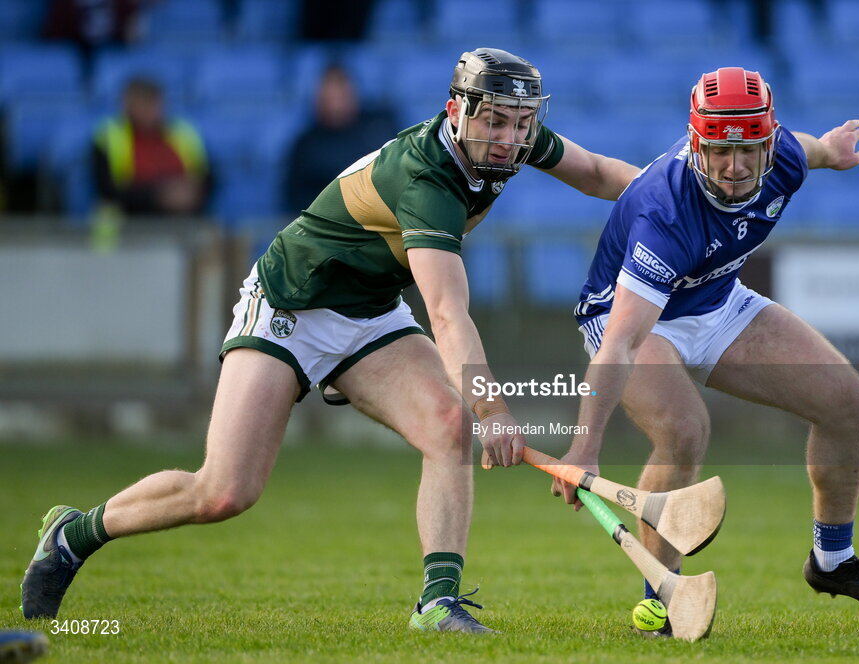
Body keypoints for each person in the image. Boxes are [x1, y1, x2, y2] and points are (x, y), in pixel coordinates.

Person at [21, 48, 640, 634]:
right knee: (224, 492)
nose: (510, 138)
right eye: (497, 122)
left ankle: (437, 602)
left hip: (368, 313)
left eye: (523, 124)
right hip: (292, 305)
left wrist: (681, 194)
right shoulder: (425, 176)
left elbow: (597, 173)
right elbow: (448, 313)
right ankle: (76, 534)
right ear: (458, 110)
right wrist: (494, 409)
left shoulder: (506, 143)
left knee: (446, 425)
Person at [552, 67, 859, 635]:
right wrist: (583, 448)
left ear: (768, 141)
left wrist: (832, 148)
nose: (735, 166)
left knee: (846, 402)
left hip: (718, 303)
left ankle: (833, 562)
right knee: (682, 430)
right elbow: (623, 341)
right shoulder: (665, 211)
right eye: (720, 149)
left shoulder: (784, 160)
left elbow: (808, 148)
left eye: (749, 148)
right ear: (696, 141)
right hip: (630, 320)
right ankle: (662, 595)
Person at [283, 64, 397, 213]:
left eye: (340, 95)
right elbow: (296, 198)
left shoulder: (379, 127)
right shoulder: (305, 146)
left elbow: (399, 175)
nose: (335, 104)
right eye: (329, 97)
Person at [91, 76, 211, 218]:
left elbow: (208, 176)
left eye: (152, 102)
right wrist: (158, 196)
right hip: (129, 226)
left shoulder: (184, 132)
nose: (148, 109)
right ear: (127, 104)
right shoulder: (108, 137)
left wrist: (192, 191)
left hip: (183, 221)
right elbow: (107, 190)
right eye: (142, 102)